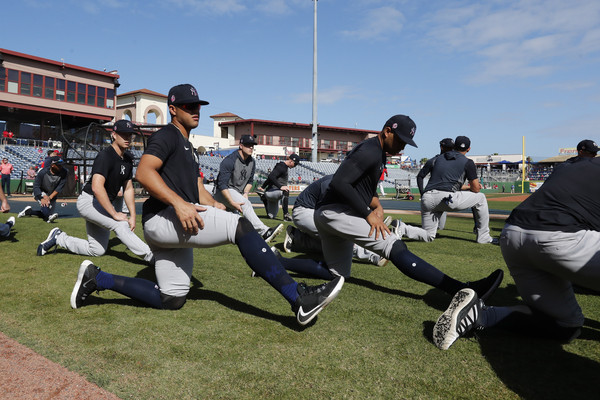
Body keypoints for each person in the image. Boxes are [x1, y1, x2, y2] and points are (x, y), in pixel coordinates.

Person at [70, 83, 344, 326]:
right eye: (189, 106)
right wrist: (179, 204)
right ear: (173, 109)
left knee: (171, 298)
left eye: (198, 105)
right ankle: (298, 297)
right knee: (241, 228)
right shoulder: (167, 135)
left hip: (168, 224)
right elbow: (143, 173)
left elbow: (196, 186)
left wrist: (214, 204)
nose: (196, 110)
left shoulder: (187, 145)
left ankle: (98, 278)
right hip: (164, 218)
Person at [308, 115, 502, 300]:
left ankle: (278, 263)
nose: (401, 147)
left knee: (337, 274)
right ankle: (461, 289)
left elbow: (362, 186)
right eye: (400, 141)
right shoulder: (369, 150)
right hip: (336, 212)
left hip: (328, 213)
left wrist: (376, 205)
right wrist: (367, 214)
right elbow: (340, 183)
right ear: (386, 131)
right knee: (394, 245)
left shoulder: (377, 151)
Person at [433, 155, 600, 350]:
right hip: (562, 238)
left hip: (513, 236)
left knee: (566, 324)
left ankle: (479, 315)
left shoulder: (571, 164)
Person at [36, 120, 154, 263]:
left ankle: (58, 238)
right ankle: (152, 257)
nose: (127, 138)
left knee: (97, 250)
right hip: (89, 202)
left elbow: (128, 188)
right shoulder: (105, 155)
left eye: (130, 135)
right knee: (119, 223)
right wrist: (114, 213)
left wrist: (133, 215)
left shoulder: (128, 158)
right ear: (114, 135)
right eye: (123, 134)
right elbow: (97, 188)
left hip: (102, 204)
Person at [283, 174, 388, 267]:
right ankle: (372, 255)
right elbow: (331, 213)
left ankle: (296, 238)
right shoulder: (333, 182)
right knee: (341, 237)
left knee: (329, 246)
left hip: (315, 211)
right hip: (304, 212)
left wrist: (377, 209)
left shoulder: (352, 182)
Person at [420, 136, 497, 244]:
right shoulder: (467, 162)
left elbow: (446, 182)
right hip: (446, 198)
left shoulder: (438, 158)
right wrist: (473, 187)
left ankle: (402, 228)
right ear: (469, 149)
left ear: (454, 146)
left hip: (427, 197)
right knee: (481, 198)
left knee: (428, 235)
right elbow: (475, 189)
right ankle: (483, 237)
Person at [214, 134, 283, 243]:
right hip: (222, 191)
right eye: (248, 145)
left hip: (237, 192)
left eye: (252, 145)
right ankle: (265, 232)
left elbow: (250, 181)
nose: (251, 147)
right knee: (245, 204)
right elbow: (222, 185)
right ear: (241, 146)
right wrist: (232, 202)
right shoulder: (230, 160)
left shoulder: (252, 161)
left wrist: (246, 192)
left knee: (236, 220)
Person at [416, 138, 455, 232]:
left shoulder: (453, 162)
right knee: (428, 230)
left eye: (452, 148)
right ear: (442, 147)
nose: (451, 150)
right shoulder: (433, 161)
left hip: (444, 197)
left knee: (440, 227)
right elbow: (420, 176)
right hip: (431, 195)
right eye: (448, 148)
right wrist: (422, 193)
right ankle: (402, 228)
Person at [18, 156, 68, 223]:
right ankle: (49, 218)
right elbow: (36, 186)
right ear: (52, 165)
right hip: (41, 191)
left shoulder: (64, 172)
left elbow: (59, 188)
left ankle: (29, 212)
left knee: (46, 212)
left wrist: (49, 198)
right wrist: (42, 197)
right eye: (59, 165)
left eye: (61, 165)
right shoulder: (43, 172)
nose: (61, 167)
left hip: (52, 194)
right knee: (45, 205)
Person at [256, 154, 300, 221]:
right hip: (272, 192)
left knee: (271, 216)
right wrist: (280, 186)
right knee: (286, 191)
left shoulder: (283, 166)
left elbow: (271, 177)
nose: (295, 166)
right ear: (291, 161)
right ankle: (286, 215)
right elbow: (271, 176)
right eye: (295, 164)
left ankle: (264, 198)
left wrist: (263, 187)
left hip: (275, 193)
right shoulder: (282, 166)